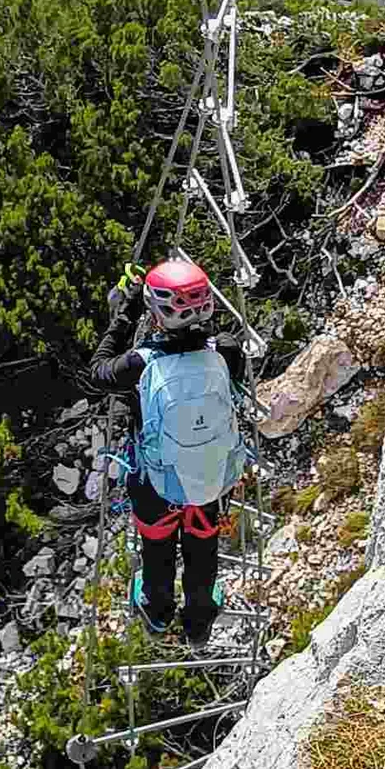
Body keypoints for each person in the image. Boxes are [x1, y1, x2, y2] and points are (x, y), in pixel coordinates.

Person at [88, 254, 246, 647]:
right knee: (202, 545)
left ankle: (157, 613)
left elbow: (98, 371)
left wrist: (124, 314)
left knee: (157, 548)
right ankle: (199, 623)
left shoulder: (140, 364)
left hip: (155, 482)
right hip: (209, 472)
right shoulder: (225, 349)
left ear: (156, 311)